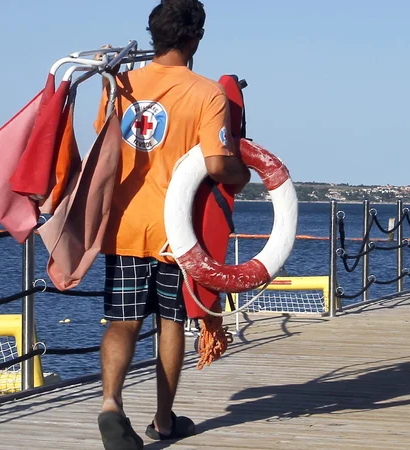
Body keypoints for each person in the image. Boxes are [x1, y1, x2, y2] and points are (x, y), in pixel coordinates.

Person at [94, 1, 251, 449]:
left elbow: (105, 145)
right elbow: (218, 165)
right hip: (176, 231)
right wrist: (245, 174)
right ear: (195, 38)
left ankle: (110, 404)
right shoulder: (207, 94)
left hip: (123, 226)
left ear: (153, 35)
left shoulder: (119, 84)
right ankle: (163, 420)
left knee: (123, 321)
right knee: (170, 321)